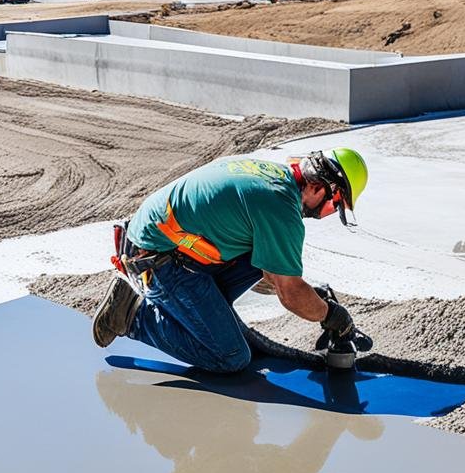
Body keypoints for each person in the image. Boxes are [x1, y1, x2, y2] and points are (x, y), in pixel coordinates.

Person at [91, 148, 369, 374]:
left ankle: (215, 319)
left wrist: (312, 297)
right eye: (336, 206)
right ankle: (133, 316)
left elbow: (273, 273)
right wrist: (332, 316)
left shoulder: (275, 177)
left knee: (264, 257)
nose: (329, 214)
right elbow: (290, 294)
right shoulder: (281, 207)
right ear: (323, 188)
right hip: (158, 261)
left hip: (163, 244)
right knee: (232, 356)